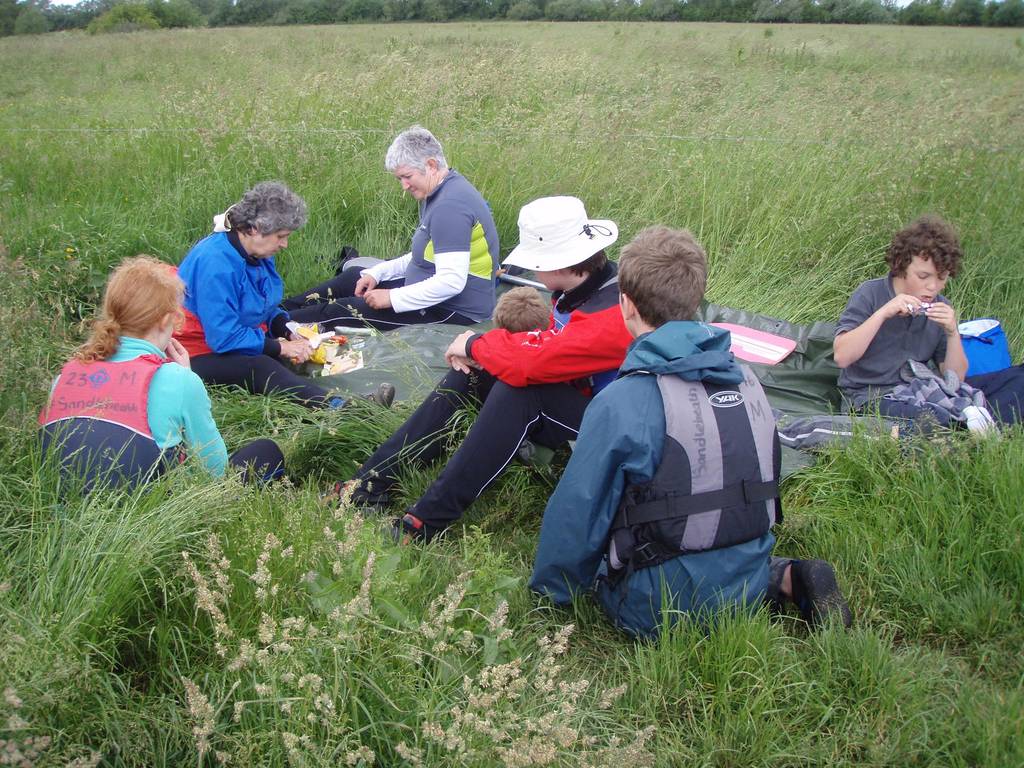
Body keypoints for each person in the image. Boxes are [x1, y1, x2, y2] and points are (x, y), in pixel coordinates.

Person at [529, 227, 852, 638]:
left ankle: (744, 582)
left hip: (658, 606)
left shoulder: (623, 400)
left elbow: (579, 511)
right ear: (696, 299)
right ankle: (780, 576)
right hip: (747, 579)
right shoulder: (747, 380)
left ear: (625, 305)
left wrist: (551, 592)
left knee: (601, 562)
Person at [343, 196, 634, 542]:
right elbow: (550, 345)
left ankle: (425, 522)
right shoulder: (585, 286)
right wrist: (482, 352)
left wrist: (472, 344)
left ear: (558, 264)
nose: (534, 272)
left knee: (522, 392)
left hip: (618, 422)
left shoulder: (611, 313)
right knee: (475, 372)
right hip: (585, 394)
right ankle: (370, 483)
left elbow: (535, 362)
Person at [39, 256, 285, 492]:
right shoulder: (177, 380)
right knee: (266, 452)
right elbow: (214, 471)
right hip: (149, 514)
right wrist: (187, 378)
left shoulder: (64, 376)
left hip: (69, 507)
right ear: (166, 319)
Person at [174, 181, 393, 409]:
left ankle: (351, 388)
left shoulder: (256, 252)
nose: (285, 244)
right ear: (254, 229)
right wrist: (280, 347)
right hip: (195, 350)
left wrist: (287, 329)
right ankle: (345, 408)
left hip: (233, 336)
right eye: (281, 236)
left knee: (302, 349)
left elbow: (264, 305)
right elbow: (222, 337)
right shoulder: (215, 264)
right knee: (262, 366)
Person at [282, 126, 501, 331]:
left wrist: (392, 298)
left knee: (341, 311)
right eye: (400, 179)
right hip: (429, 288)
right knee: (354, 278)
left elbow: (451, 282)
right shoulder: (439, 190)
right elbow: (423, 255)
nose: (404, 186)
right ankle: (277, 312)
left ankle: (271, 330)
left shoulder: (450, 206)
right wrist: (378, 272)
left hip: (454, 311)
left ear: (431, 165)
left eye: (407, 177)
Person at [834, 215, 1022, 429]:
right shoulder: (870, 293)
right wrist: (883, 313)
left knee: (1019, 380)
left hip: (922, 388)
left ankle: (973, 421)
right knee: (933, 417)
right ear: (901, 266)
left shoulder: (941, 305)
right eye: (923, 277)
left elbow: (955, 378)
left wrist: (952, 333)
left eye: (941, 278)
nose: (932, 287)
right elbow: (842, 357)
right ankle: (969, 423)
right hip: (870, 396)